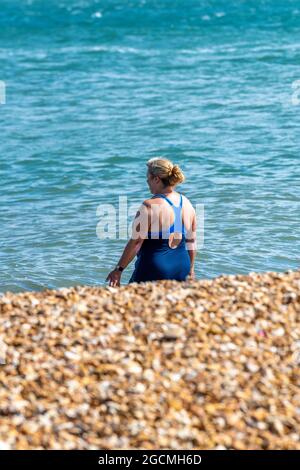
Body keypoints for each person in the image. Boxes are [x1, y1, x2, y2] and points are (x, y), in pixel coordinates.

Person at [105, 157, 197, 287]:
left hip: (155, 268)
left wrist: (118, 270)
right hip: (182, 267)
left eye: (148, 176)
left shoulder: (149, 206)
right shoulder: (187, 203)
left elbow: (136, 242)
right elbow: (191, 242)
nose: (146, 180)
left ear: (156, 179)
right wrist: (191, 269)